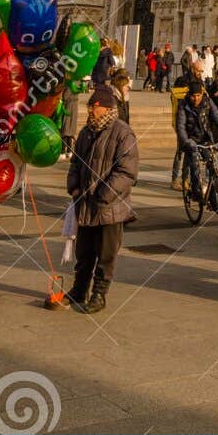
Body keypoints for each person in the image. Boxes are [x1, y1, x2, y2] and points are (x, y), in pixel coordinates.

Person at [66, 84, 139, 314]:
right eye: (90, 106)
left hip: (110, 207)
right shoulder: (86, 132)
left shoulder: (123, 133)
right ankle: (79, 289)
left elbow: (127, 172)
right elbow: (75, 163)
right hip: (85, 204)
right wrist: (75, 187)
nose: (90, 110)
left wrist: (103, 194)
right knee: (84, 252)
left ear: (107, 109)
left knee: (106, 254)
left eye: (94, 106)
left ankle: (99, 294)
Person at [176, 75, 218, 203]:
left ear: (202, 94)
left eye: (198, 95)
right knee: (194, 161)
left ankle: (213, 196)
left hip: (205, 138)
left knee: (213, 165)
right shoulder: (183, 105)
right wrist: (186, 141)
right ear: (189, 95)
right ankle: (196, 191)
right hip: (190, 140)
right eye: (193, 96)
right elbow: (181, 127)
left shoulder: (208, 102)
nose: (196, 99)